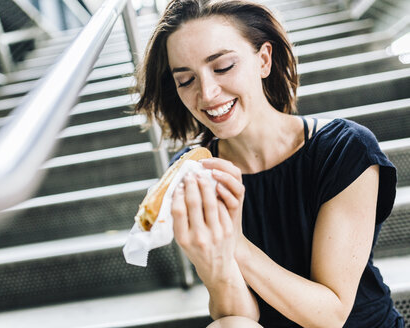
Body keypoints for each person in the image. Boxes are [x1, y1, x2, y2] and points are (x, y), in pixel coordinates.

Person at [134, 0, 403, 327]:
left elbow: (332, 315)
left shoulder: (343, 148)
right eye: (186, 80)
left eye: (222, 67)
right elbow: (238, 315)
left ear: (263, 59)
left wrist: (234, 244)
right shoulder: (196, 173)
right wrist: (214, 262)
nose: (207, 93)